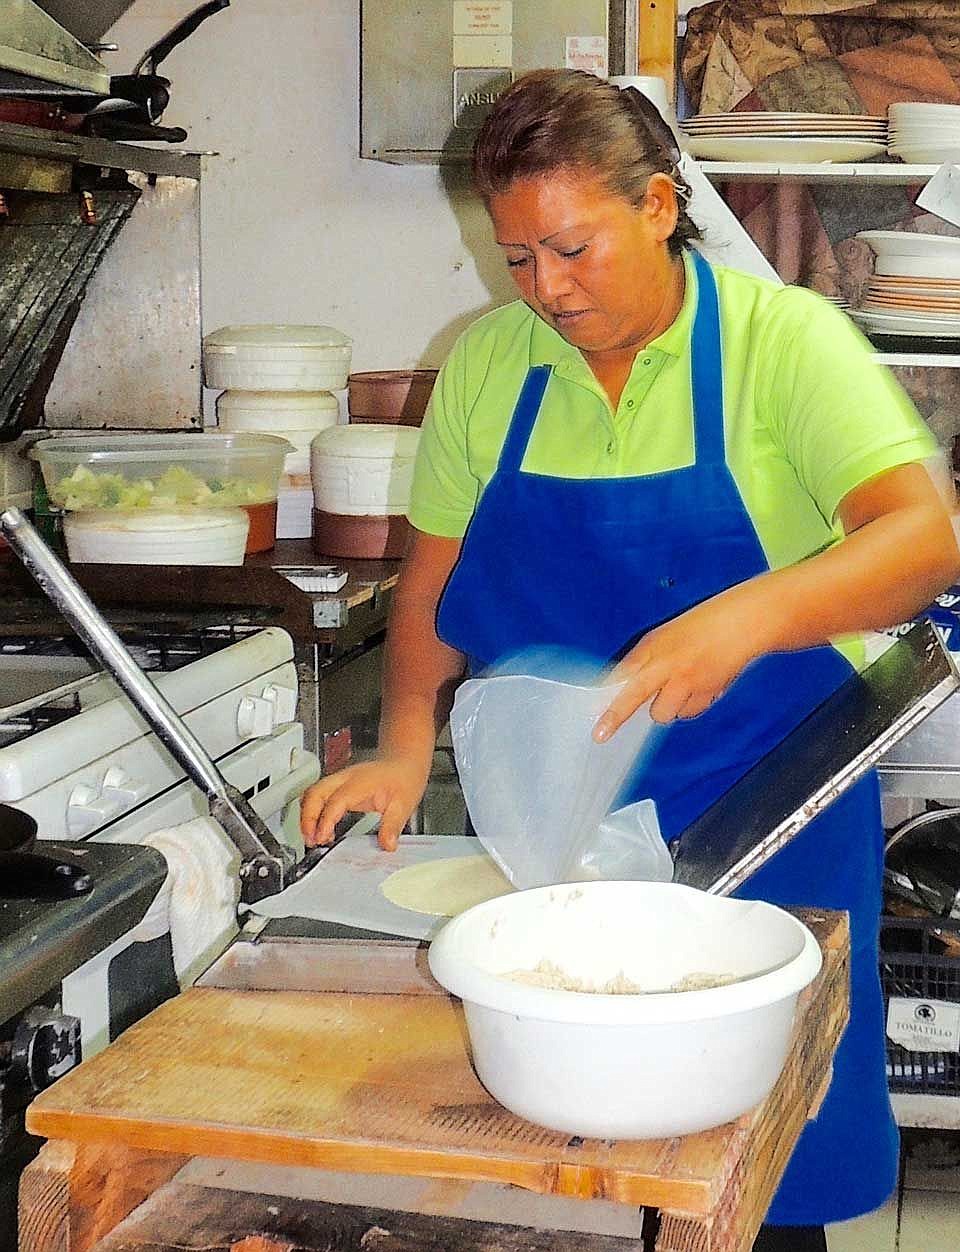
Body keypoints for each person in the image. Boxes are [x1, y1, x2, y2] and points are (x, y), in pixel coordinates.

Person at [301, 69, 960, 1250]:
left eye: (571, 249)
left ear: (659, 205)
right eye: (517, 259)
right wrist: (403, 746)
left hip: (766, 821)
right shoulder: (492, 368)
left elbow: (924, 542)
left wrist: (743, 620)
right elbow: (434, 586)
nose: (545, 290)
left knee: (749, 1177)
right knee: (555, 1168)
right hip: (557, 840)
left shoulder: (782, 342)